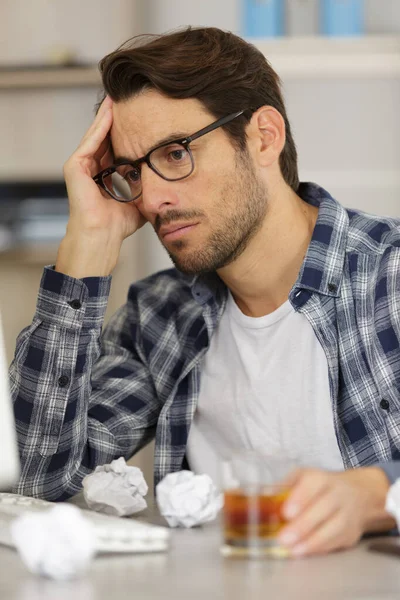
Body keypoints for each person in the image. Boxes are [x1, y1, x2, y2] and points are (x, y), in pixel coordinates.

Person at [9, 27, 399, 556]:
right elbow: (34, 481)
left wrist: (381, 496)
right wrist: (86, 246)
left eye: (174, 154)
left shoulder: (388, 278)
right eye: (132, 172)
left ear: (263, 136)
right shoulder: (158, 317)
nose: (153, 200)